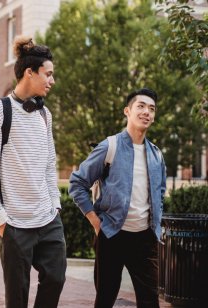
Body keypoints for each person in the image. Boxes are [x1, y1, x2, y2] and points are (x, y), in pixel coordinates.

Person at [0, 36, 66, 308]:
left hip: (48, 218)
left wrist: (55, 205)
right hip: (14, 223)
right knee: (17, 296)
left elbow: (50, 164)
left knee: (56, 278)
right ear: (30, 72)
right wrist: (1, 220)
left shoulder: (44, 115)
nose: (51, 81)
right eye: (48, 74)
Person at [69, 88, 166, 308]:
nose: (146, 112)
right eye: (140, 106)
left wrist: (156, 227)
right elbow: (77, 184)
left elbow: (160, 192)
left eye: (151, 109)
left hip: (145, 239)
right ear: (127, 111)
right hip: (112, 235)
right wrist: (96, 222)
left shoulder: (156, 154)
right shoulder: (109, 146)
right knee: (105, 298)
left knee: (150, 301)